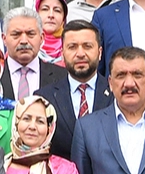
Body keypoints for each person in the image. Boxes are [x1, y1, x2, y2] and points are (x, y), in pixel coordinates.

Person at [39, 20, 113, 160]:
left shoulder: (116, 94)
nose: (80, 53)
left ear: (100, 53)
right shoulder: (45, 98)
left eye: (87, 46)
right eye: (72, 47)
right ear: (62, 53)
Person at [1, 6, 67, 100]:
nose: (24, 41)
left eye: (30, 34)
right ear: (4, 39)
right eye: (16, 34)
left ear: (41, 38)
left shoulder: (62, 76)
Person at [34, 0, 70, 64]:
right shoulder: (25, 46)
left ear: (64, 18)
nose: (51, 15)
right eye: (45, 9)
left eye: (57, 10)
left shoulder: (72, 47)